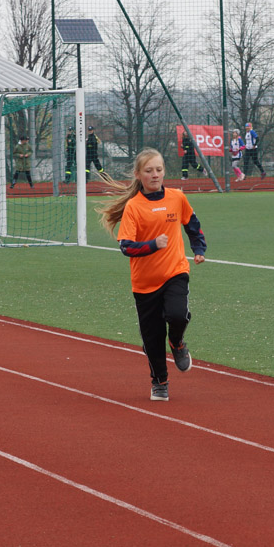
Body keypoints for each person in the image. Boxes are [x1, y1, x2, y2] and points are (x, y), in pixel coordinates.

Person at [98, 148, 206, 402]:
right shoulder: (134, 207)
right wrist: (152, 245)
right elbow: (126, 247)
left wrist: (199, 249)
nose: (155, 174)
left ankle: (177, 342)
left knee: (178, 315)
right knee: (152, 337)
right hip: (145, 283)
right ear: (138, 174)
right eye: (149, 171)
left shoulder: (177, 197)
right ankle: (160, 381)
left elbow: (192, 224)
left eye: (159, 169)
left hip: (175, 271)